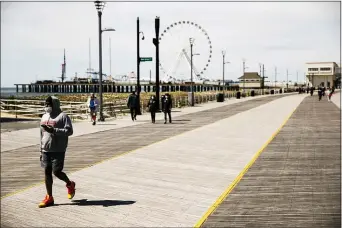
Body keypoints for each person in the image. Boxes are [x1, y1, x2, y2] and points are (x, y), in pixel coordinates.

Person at [39, 96, 75, 208]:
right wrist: (40, 150)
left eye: (48, 104)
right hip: (45, 149)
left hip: (58, 149)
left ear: (55, 104)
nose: (46, 106)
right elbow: (41, 134)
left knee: (56, 172)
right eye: (45, 104)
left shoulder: (63, 116)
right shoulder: (44, 116)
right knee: (47, 172)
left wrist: (54, 130)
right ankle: (49, 197)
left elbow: (69, 131)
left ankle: (70, 184)